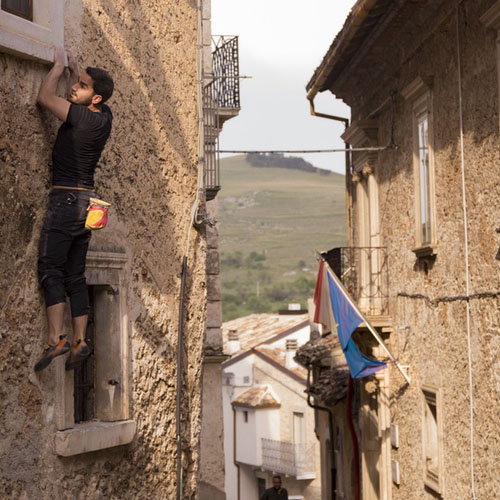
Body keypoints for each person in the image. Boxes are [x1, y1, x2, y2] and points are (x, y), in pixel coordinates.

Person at [34, 46, 114, 372]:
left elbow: (45, 98)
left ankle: (57, 339)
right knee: (75, 275)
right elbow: (79, 98)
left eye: (81, 85)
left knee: (50, 269)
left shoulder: (79, 117)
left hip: (65, 203)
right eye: (76, 82)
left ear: (94, 98)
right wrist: (76, 68)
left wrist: (57, 68)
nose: (74, 87)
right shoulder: (104, 117)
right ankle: (81, 340)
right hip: (87, 206)